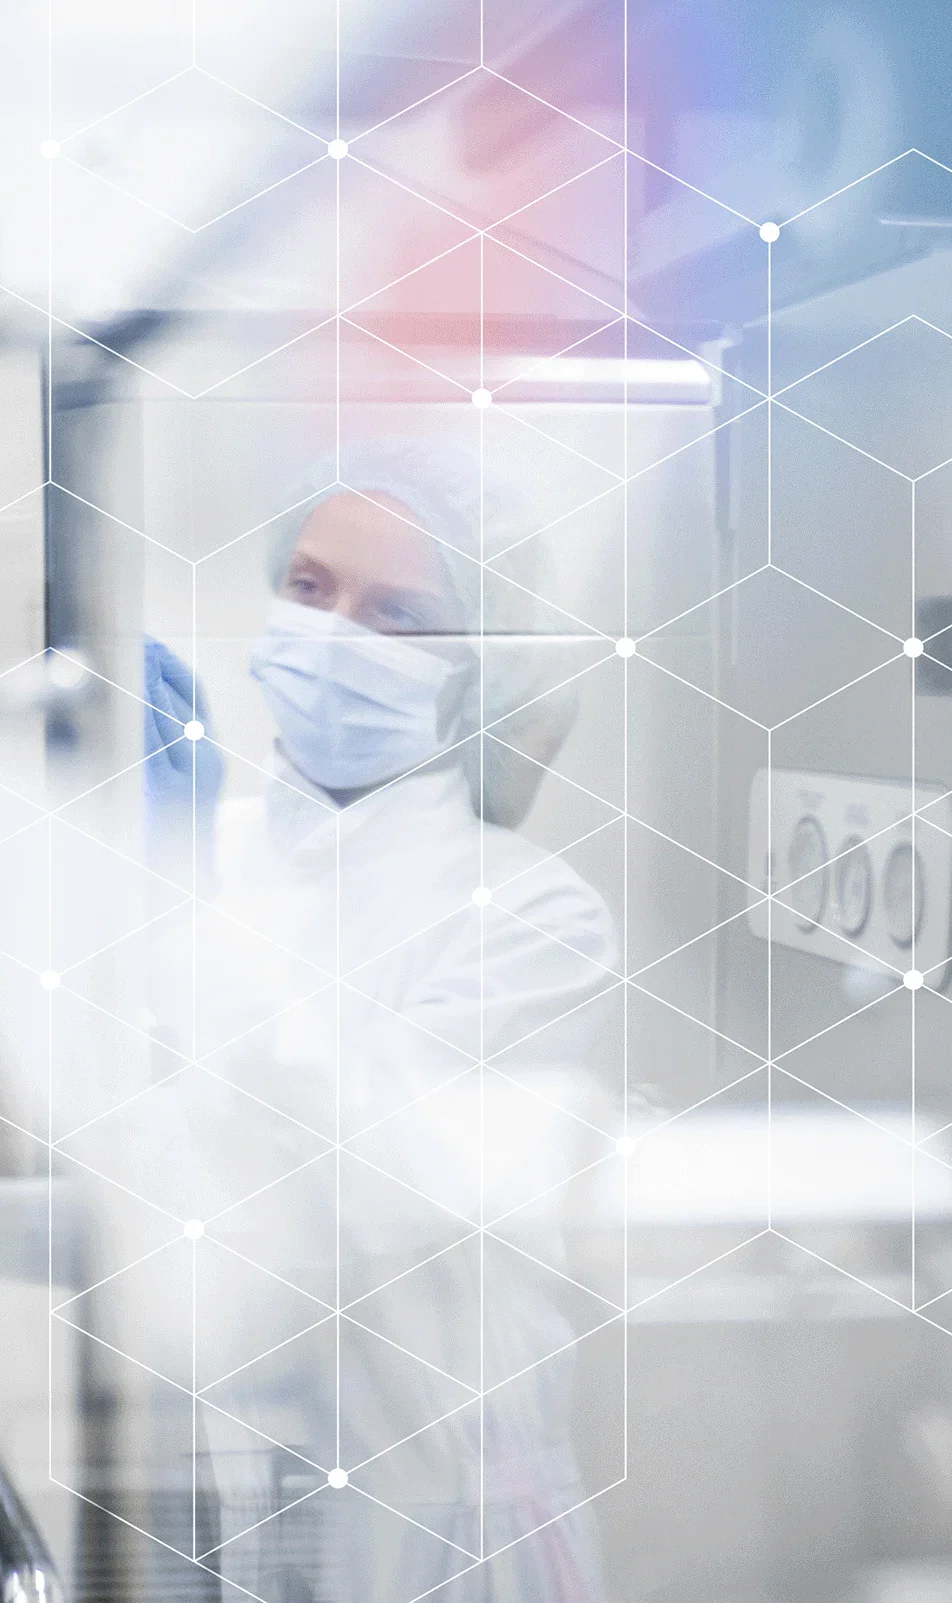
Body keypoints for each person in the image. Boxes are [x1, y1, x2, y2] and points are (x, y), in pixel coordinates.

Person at [136, 439, 617, 1600]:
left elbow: (374, 1175)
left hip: (440, 1517)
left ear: (476, 666)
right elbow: (131, 1172)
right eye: (308, 589)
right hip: (220, 1487)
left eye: (395, 614)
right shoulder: (213, 851)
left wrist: (179, 896)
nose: (332, 635)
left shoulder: (535, 915)